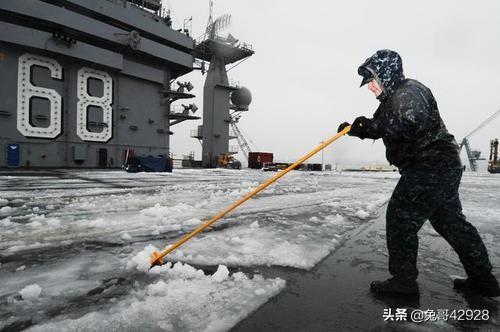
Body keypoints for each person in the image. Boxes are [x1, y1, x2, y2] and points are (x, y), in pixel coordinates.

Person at [338, 49, 500, 297]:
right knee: (451, 223)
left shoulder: (409, 91)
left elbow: (406, 120)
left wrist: (372, 126)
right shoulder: (392, 101)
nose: (370, 88)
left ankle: (403, 283)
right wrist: (355, 129)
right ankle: (483, 279)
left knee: (401, 219)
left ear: (386, 74)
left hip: (429, 166)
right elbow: (383, 126)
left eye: (372, 80)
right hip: (441, 166)